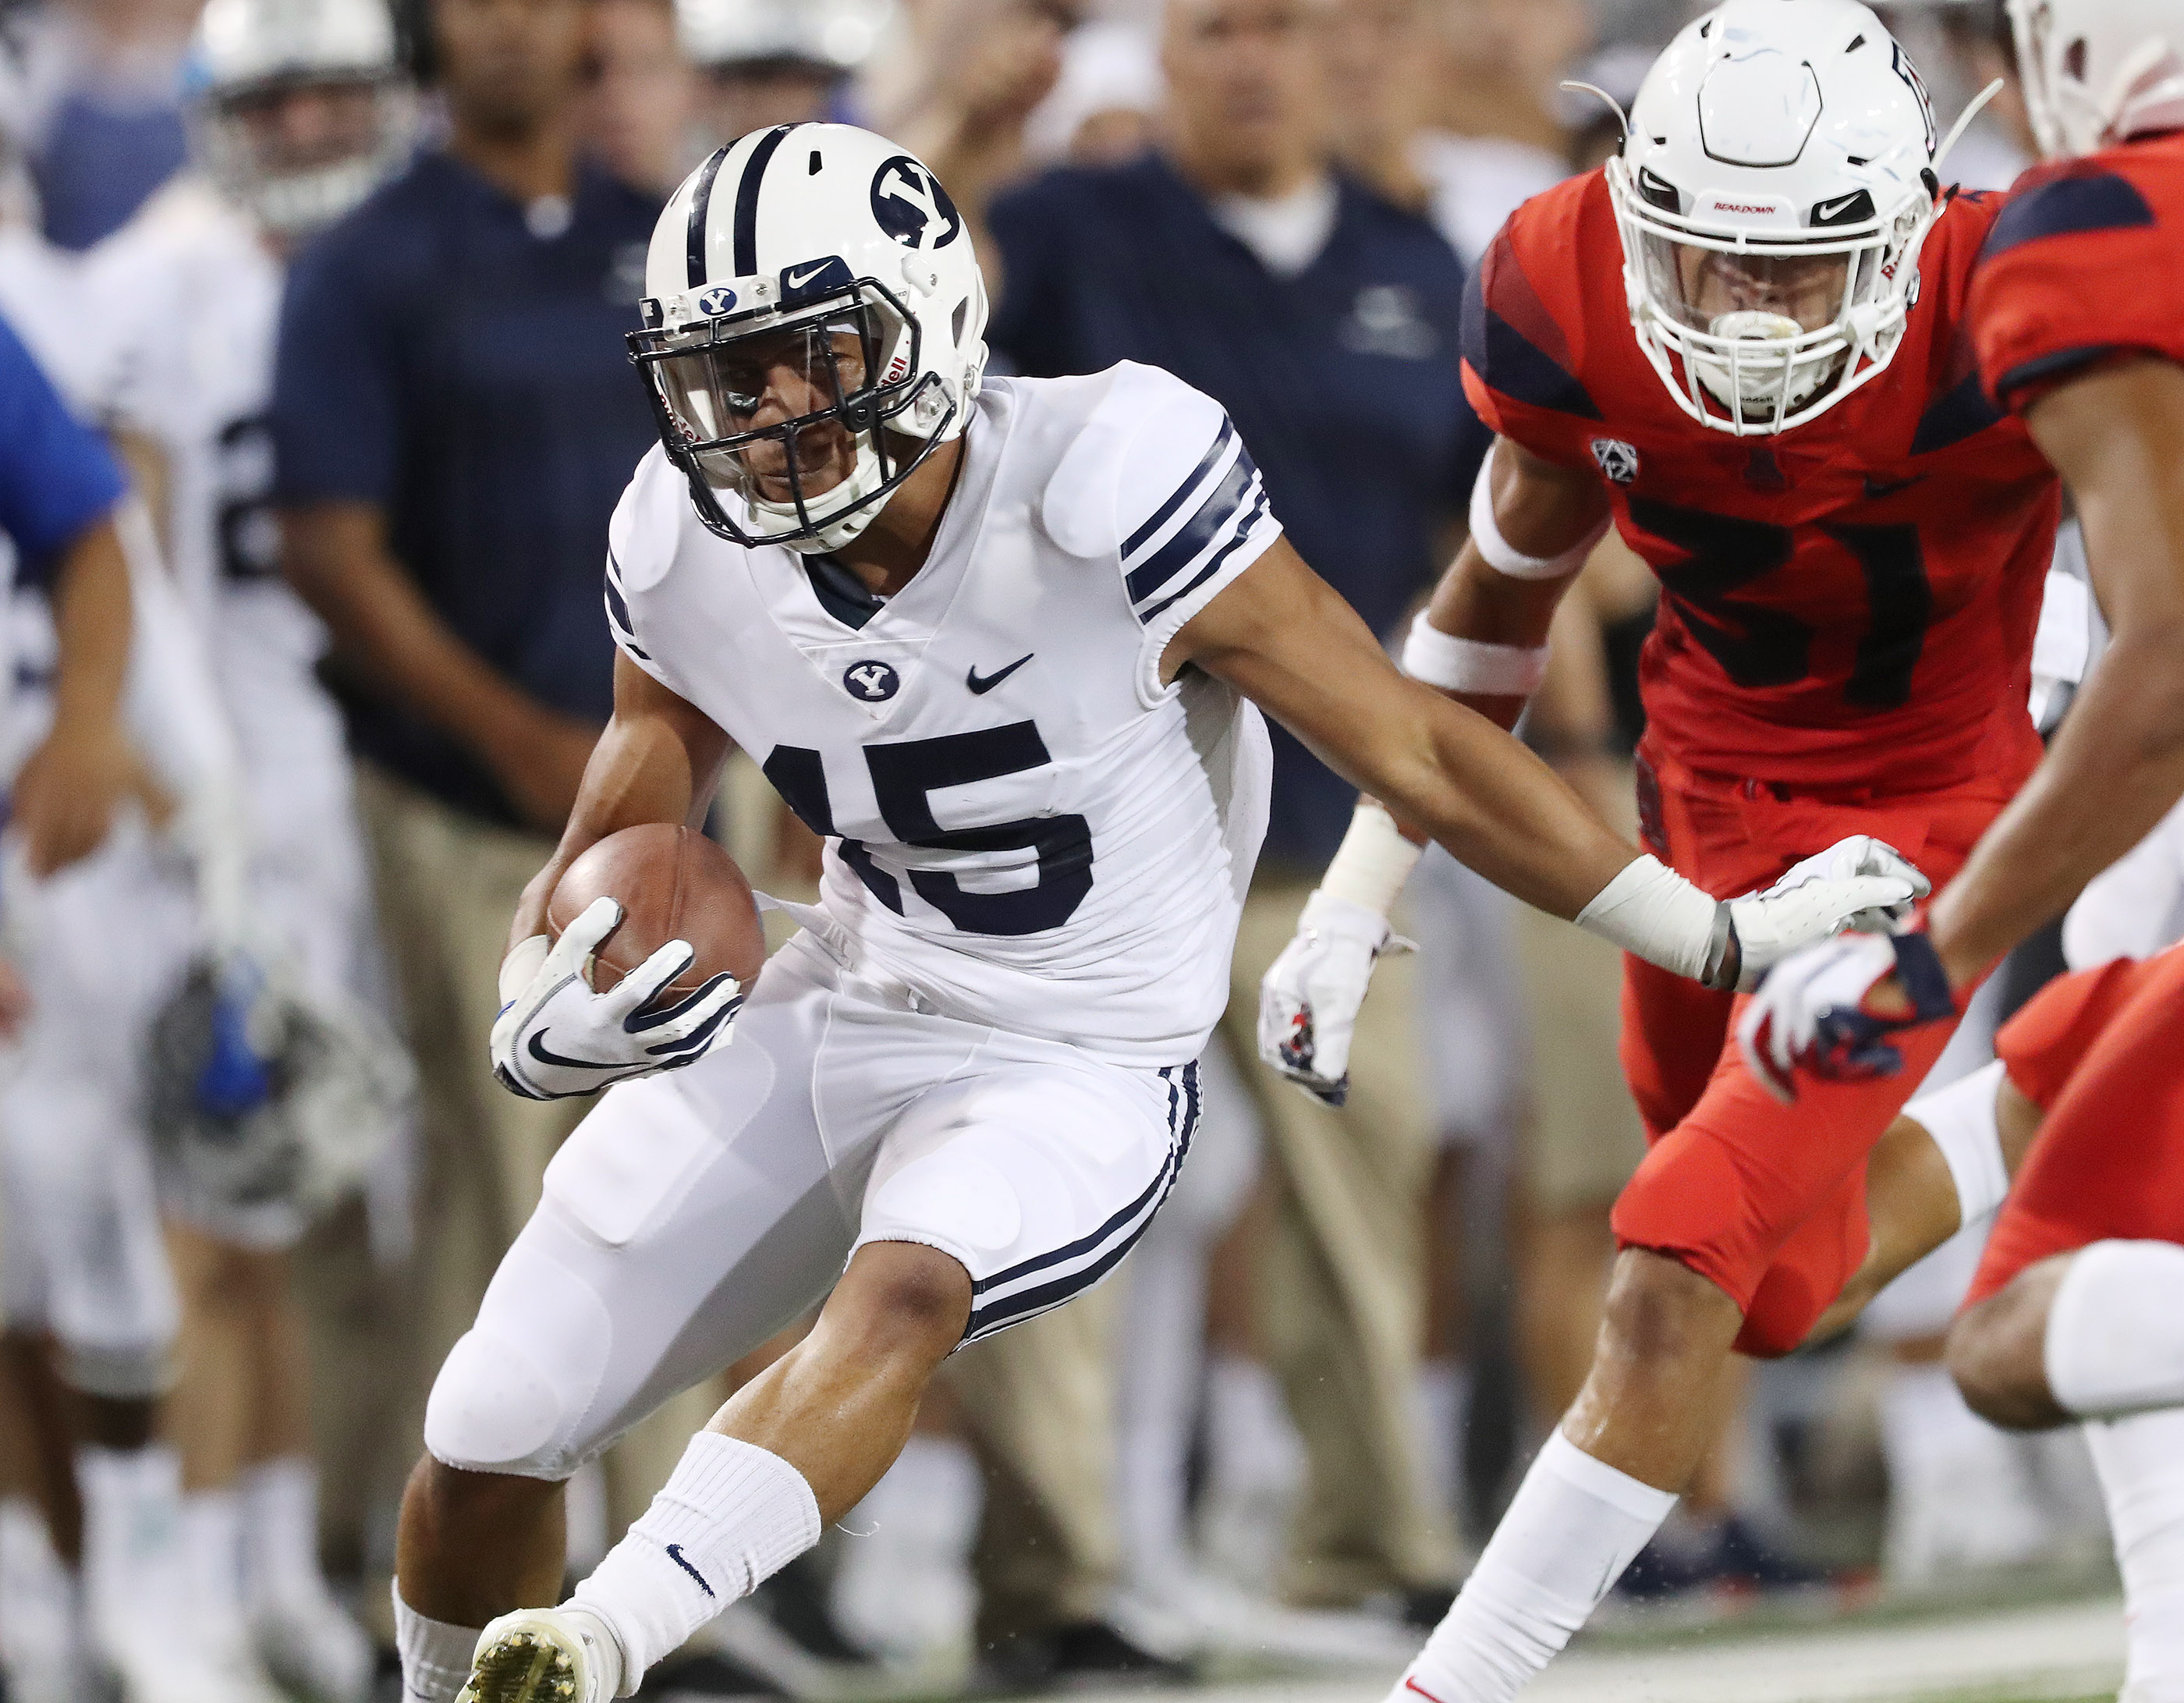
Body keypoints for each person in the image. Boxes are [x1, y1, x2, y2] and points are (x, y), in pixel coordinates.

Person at [379, 120, 1910, 1703]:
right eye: (721, 378)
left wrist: (1707, 931)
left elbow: (1412, 744)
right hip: (853, 982)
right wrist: (551, 969)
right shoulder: (681, 535)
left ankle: (601, 1641)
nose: (762, 420)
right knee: (490, 1424)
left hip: (1077, 1053)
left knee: (904, 1291)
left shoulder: (1103, 477)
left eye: (802, 358)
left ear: (925, 321)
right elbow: (641, 781)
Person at [1258, 2, 2069, 1694]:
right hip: (1694, 807)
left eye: (1800, 266)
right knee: (1769, 1298)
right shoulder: (1563, 293)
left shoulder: (2011, 291)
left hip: (1923, 822)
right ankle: (2044, 1099)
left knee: (1672, 1261)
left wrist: (2075, 636)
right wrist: (1357, 888)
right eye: (1712, 258)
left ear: (1902, 226)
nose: (1751, 307)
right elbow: (1489, 614)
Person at [984, 0, 1486, 1611]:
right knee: (1048, 1200)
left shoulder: (1412, 258)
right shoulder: (1066, 227)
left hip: (1326, 832)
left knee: (1362, 1184)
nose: (1256, 59)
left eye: (1282, 25)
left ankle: (1364, 1543)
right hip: (1092, 818)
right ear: (1166, 56)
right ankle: (1055, 1582)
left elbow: (1480, 528)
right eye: (1218, 27)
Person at [1734, 0, 2184, 1686]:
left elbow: (2159, 669)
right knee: (2082, 1205)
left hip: (2103, 758)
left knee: (2019, 1333)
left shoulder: (2087, 228)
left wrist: (1941, 954)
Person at [269, 0, 670, 1565]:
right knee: (503, 1186)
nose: (507, 21)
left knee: (684, 1180)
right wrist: (512, 735)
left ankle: (662, 1570)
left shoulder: (663, 240)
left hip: (673, 795)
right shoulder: (367, 261)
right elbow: (328, 549)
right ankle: (472, 1571)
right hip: (459, 802)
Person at [81, 0, 424, 1693]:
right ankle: (180, 1592)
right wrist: (177, 804)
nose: (304, 134)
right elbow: (122, 576)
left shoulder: (414, 260)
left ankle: (285, 1566)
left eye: (332, 98)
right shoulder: (152, 288)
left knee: (327, 1222)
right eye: (273, 103)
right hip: (225, 817)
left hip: (387, 796)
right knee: (206, 1220)